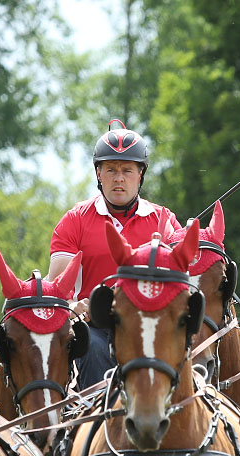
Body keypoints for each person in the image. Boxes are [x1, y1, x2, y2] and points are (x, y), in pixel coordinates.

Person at [46, 120, 182, 387]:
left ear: (140, 174)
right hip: (95, 328)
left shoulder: (164, 220)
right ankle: (95, 423)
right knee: (93, 348)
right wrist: (74, 307)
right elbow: (57, 288)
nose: (119, 178)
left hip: (150, 328)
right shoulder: (75, 220)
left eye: (127, 170)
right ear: (99, 174)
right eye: (111, 170)